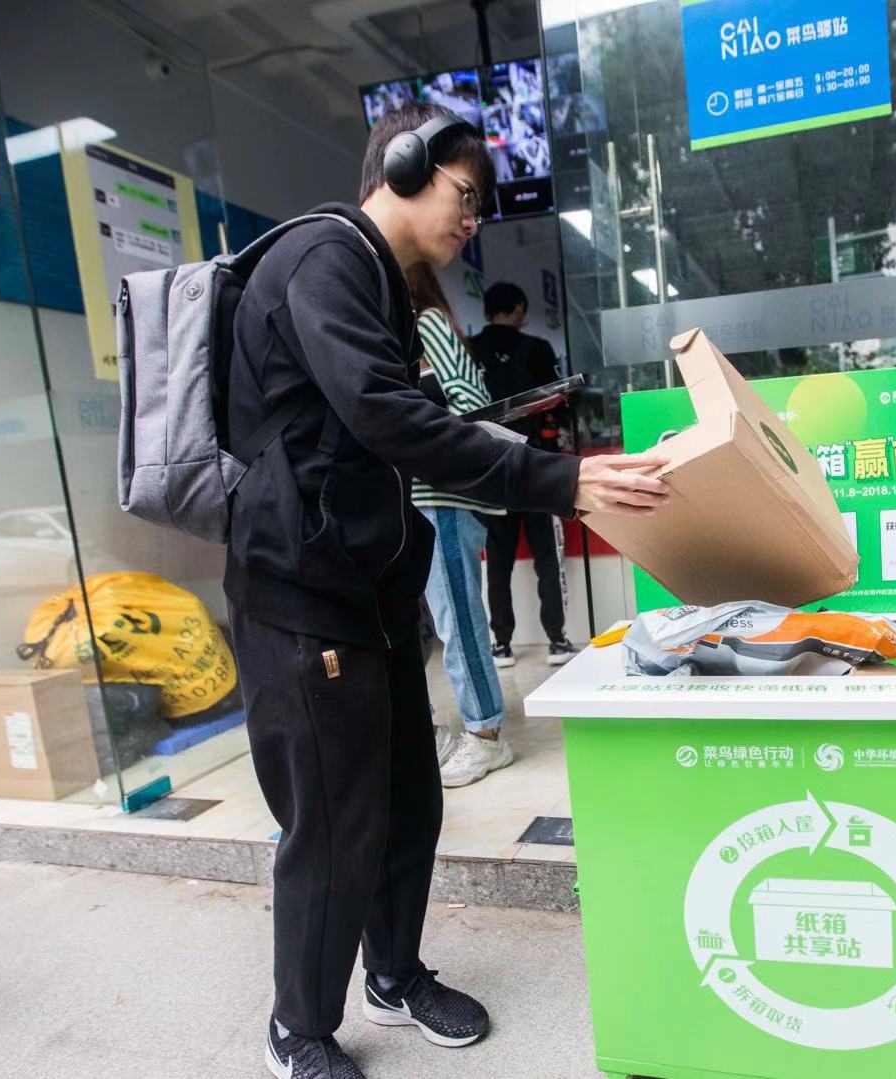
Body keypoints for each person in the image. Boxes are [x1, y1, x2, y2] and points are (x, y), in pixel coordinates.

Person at [225, 101, 668, 1079]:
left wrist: (526, 445)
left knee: (407, 803)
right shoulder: (325, 258)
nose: (473, 220)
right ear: (405, 163)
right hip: (300, 595)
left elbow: (410, 416)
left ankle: (390, 972)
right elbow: (385, 416)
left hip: (372, 590)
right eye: (466, 196)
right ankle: (298, 1024)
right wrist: (563, 480)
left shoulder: (388, 285)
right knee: (331, 824)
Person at [404, 262, 514, 788]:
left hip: (441, 497)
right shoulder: (401, 328)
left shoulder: (426, 323)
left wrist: (418, 410)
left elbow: (472, 407)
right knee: (424, 625)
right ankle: (439, 730)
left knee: (458, 621)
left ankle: (486, 735)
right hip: (411, 499)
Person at [467, 282, 575, 669]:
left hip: (491, 466)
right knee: (546, 554)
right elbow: (560, 405)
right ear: (517, 309)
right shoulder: (537, 349)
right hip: (536, 466)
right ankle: (557, 640)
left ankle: (502, 644)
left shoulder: (470, 349)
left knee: (498, 559)